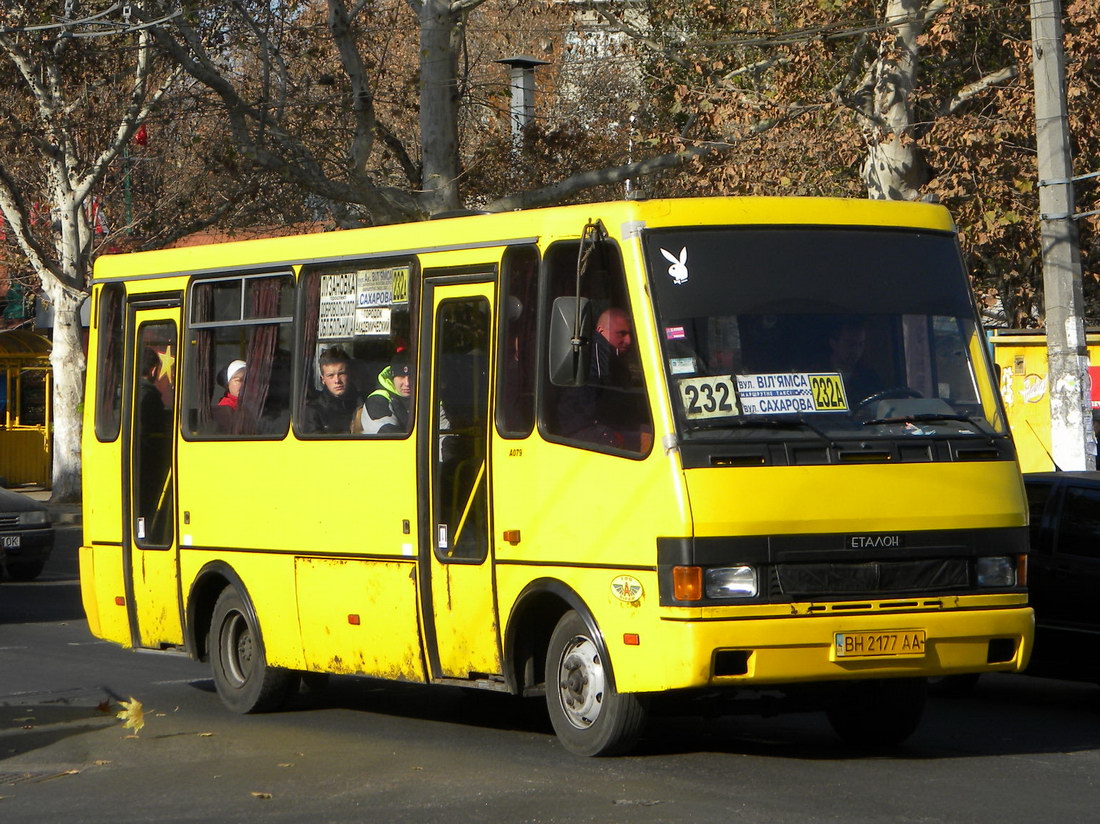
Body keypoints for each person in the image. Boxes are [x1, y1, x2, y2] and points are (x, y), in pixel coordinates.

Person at [556, 306, 649, 449]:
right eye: (621, 334)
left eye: (630, 334)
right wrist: (616, 437)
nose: (629, 340)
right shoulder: (595, 357)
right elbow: (586, 412)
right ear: (600, 331)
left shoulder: (614, 358)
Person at [300, 346, 359, 434]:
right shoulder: (313, 411)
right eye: (330, 375)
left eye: (341, 373)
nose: (337, 380)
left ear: (350, 374)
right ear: (322, 379)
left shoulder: (363, 403)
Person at [354, 351, 414, 434]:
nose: (407, 383)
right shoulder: (377, 400)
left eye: (412, 377)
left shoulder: (428, 396)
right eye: (401, 377)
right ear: (392, 377)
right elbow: (389, 436)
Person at [827, 320, 879, 406]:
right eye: (850, 344)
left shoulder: (869, 377)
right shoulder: (817, 373)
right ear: (833, 343)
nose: (856, 351)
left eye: (860, 344)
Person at [211, 359, 245, 432]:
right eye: (239, 380)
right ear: (228, 384)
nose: (244, 385)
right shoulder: (223, 410)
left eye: (247, 380)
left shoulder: (254, 404)